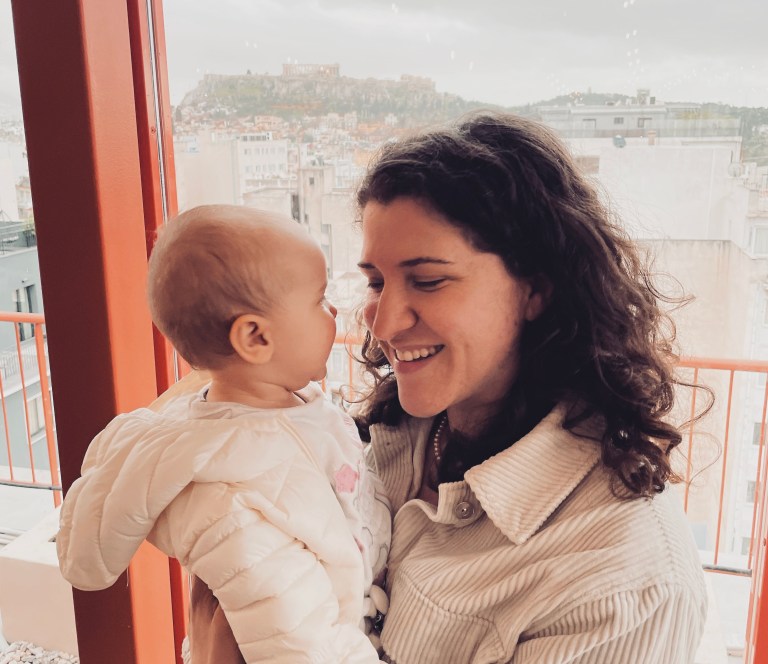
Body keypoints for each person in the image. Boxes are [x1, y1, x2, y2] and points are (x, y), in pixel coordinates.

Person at [189, 112, 709, 664]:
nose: (383, 324)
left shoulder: (626, 581)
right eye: (376, 281)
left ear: (536, 289)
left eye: (428, 280)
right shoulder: (377, 442)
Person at [56, 205, 390, 664]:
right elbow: (296, 644)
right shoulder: (226, 498)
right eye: (319, 299)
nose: (334, 309)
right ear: (255, 338)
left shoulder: (290, 409)